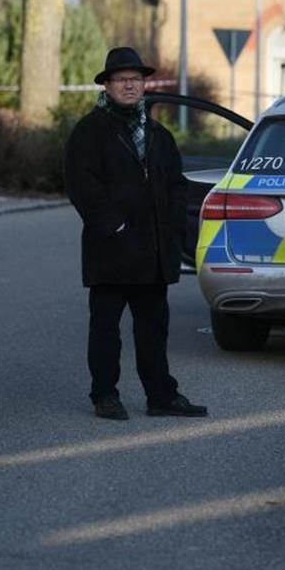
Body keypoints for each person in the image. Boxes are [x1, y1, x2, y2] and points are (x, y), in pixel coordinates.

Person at [65, 47, 208, 420]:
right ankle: (105, 395)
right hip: (111, 250)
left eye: (136, 80)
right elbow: (82, 184)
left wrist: (175, 231)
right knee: (105, 329)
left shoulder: (159, 134)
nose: (130, 86)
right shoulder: (90, 130)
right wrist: (114, 225)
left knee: (153, 329)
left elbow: (176, 186)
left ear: (144, 85)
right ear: (108, 85)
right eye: (122, 80)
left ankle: (160, 396)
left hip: (152, 252)